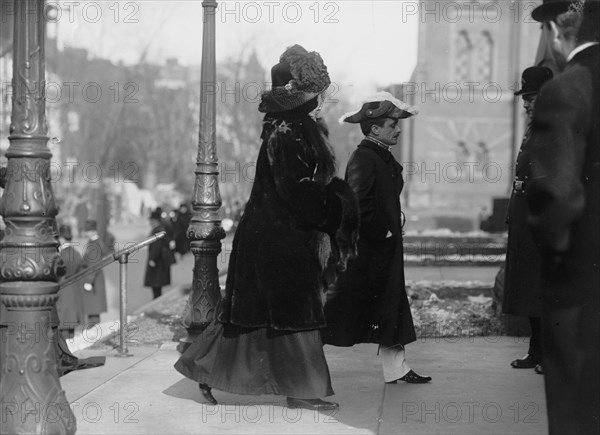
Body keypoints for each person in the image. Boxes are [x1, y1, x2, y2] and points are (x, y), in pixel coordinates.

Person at [175, 44, 359, 411]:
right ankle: (297, 389)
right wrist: (336, 204)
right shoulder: (289, 133)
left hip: (280, 239)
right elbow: (297, 191)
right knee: (281, 318)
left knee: (261, 320)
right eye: (317, 93)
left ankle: (285, 386)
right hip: (276, 242)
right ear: (299, 95)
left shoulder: (295, 128)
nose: (322, 99)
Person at [524, 1, 600, 433]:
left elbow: (554, 195)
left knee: (579, 405)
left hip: (581, 286)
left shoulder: (568, 88)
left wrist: (554, 263)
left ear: (555, 30)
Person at [323, 92, 431, 385]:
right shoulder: (364, 157)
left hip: (381, 252)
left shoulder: (378, 154)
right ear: (374, 129)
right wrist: (381, 229)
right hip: (367, 255)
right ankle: (300, 361)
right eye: (392, 124)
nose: (397, 129)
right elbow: (355, 205)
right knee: (336, 311)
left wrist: (393, 221)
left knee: (390, 306)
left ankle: (396, 368)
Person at [502, 66, 554, 375]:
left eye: (531, 98)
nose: (526, 105)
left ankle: (550, 355)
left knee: (545, 290)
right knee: (531, 288)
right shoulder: (538, 126)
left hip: (542, 219)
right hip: (526, 216)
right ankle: (536, 351)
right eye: (524, 100)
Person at [56, 224, 85, 339]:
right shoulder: (76, 253)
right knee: (71, 322)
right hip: (74, 288)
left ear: (62, 238)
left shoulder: (60, 256)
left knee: (63, 323)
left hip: (62, 289)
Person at [80, 219, 108, 326]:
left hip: (93, 280)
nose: (86, 233)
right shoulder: (96, 243)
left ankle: (93, 331)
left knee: (93, 309)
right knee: (93, 308)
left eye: (87, 231)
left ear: (92, 231)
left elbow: (94, 264)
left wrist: (89, 281)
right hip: (95, 279)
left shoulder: (94, 245)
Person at [144, 210, 172, 299]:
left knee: (156, 284)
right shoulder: (160, 229)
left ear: (155, 220)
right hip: (160, 260)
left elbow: (157, 246)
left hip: (158, 261)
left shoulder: (158, 230)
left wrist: (152, 259)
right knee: (157, 284)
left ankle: (156, 302)